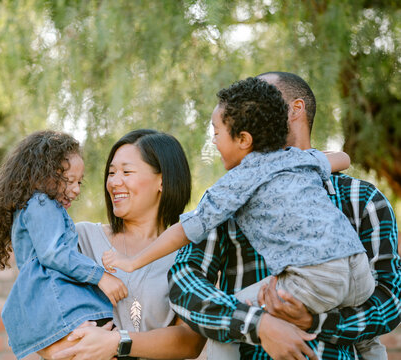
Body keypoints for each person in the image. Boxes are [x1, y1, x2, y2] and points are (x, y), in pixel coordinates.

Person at [103, 77, 380, 358]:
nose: (212, 141)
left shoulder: (235, 183)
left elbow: (183, 231)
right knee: (370, 341)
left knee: (230, 326)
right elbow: (342, 158)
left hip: (316, 279)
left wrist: (132, 261)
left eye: (216, 133)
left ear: (244, 139)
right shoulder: (299, 160)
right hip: (358, 272)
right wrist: (307, 161)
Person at [169, 72, 401, 359]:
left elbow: (390, 301)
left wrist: (318, 323)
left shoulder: (363, 200)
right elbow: (184, 282)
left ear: (295, 109)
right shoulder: (229, 196)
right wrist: (257, 324)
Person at [51, 129, 206, 360]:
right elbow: (38, 307)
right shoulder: (80, 238)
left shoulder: (189, 251)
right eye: (111, 173)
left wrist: (117, 342)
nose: (114, 182)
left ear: (162, 180)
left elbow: (190, 341)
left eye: (126, 171)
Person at [0, 130, 128, 360]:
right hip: (62, 305)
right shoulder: (41, 202)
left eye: (79, 182)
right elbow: (54, 252)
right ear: (40, 176)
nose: (77, 189)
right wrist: (101, 276)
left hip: (53, 308)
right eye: (69, 181)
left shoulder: (35, 206)